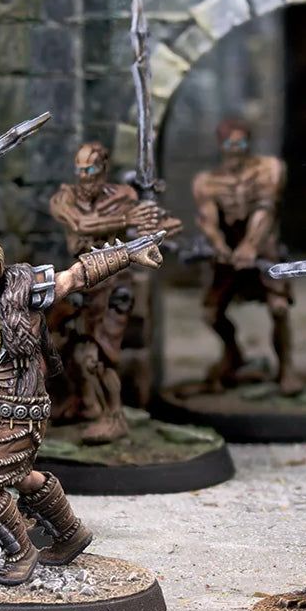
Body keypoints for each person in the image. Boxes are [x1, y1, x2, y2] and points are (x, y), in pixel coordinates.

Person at [0, 230, 165, 584]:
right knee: (18, 474)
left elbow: (76, 277)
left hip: (23, 403)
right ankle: (70, 533)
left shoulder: (25, 287)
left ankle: (21, 554)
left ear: (0, 269)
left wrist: (127, 254)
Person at [49, 141, 181, 442]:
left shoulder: (124, 198)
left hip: (114, 285)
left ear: (104, 169)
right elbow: (81, 224)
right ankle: (85, 403)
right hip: (81, 281)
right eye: (80, 169)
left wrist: (154, 222)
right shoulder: (65, 198)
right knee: (60, 345)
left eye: (92, 169)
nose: (85, 177)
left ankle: (114, 416)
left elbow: (166, 226)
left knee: (97, 358)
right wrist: (126, 220)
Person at [192, 118, 301, 395]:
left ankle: (286, 368)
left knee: (278, 307)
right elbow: (207, 219)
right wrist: (218, 245)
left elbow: (265, 208)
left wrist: (251, 246)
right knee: (212, 314)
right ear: (221, 145)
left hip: (263, 249)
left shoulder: (269, 169)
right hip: (228, 255)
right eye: (230, 144)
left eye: (240, 142)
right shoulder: (207, 182)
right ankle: (233, 354)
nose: (235, 149)